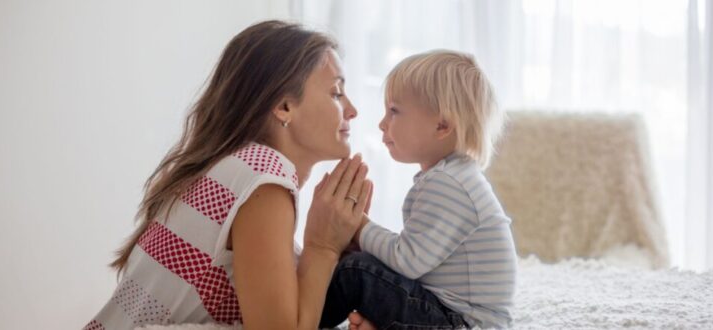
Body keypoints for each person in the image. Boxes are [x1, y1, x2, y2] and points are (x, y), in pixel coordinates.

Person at [84, 20, 372, 330]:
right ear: (285, 106)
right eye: (336, 93)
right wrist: (323, 247)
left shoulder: (232, 169)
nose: (352, 109)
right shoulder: (262, 172)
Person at [320, 50, 517, 329]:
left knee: (357, 270)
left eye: (394, 111)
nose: (382, 123)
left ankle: (300, 320)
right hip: (452, 314)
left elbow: (407, 260)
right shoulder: (453, 176)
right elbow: (416, 261)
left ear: (442, 125)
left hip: (462, 322)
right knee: (362, 262)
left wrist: (359, 227)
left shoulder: (448, 184)